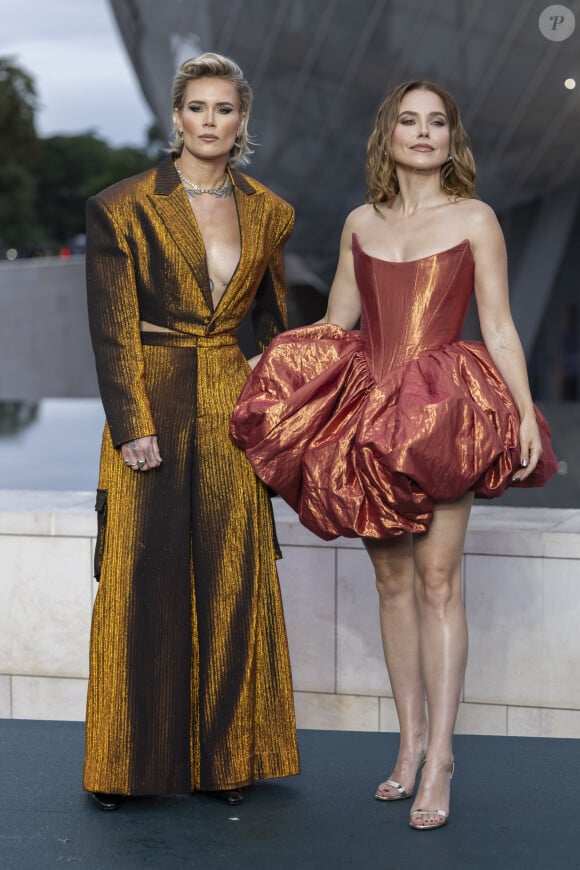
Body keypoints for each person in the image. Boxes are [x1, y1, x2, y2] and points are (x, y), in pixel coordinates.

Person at [230, 80, 557, 830]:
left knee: (440, 581)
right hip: (373, 417)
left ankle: (441, 756)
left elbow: (499, 324)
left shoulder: (476, 217)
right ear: (390, 135)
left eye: (436, 122)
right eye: (409, 121)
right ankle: (407, 745)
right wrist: (269, 367)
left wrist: (522, 411)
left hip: (446, 411)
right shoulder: (359, 222)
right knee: (390, 580)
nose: (423, 133)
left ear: (451, 138)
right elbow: (337, 326)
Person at [84, 52, 300, 810]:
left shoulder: (269, 210)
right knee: (141, 580)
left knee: (232, 578)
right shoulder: (123, 205)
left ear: (243, 121)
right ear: (177, 116)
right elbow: (112, 331)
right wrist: (131, 425)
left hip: (231, 403)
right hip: (154, 395)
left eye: (226, 109)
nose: (211, 122)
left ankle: (225, 759)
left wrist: (287, 414)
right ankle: (126, 764)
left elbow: (276, 326)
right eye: (198, 108)